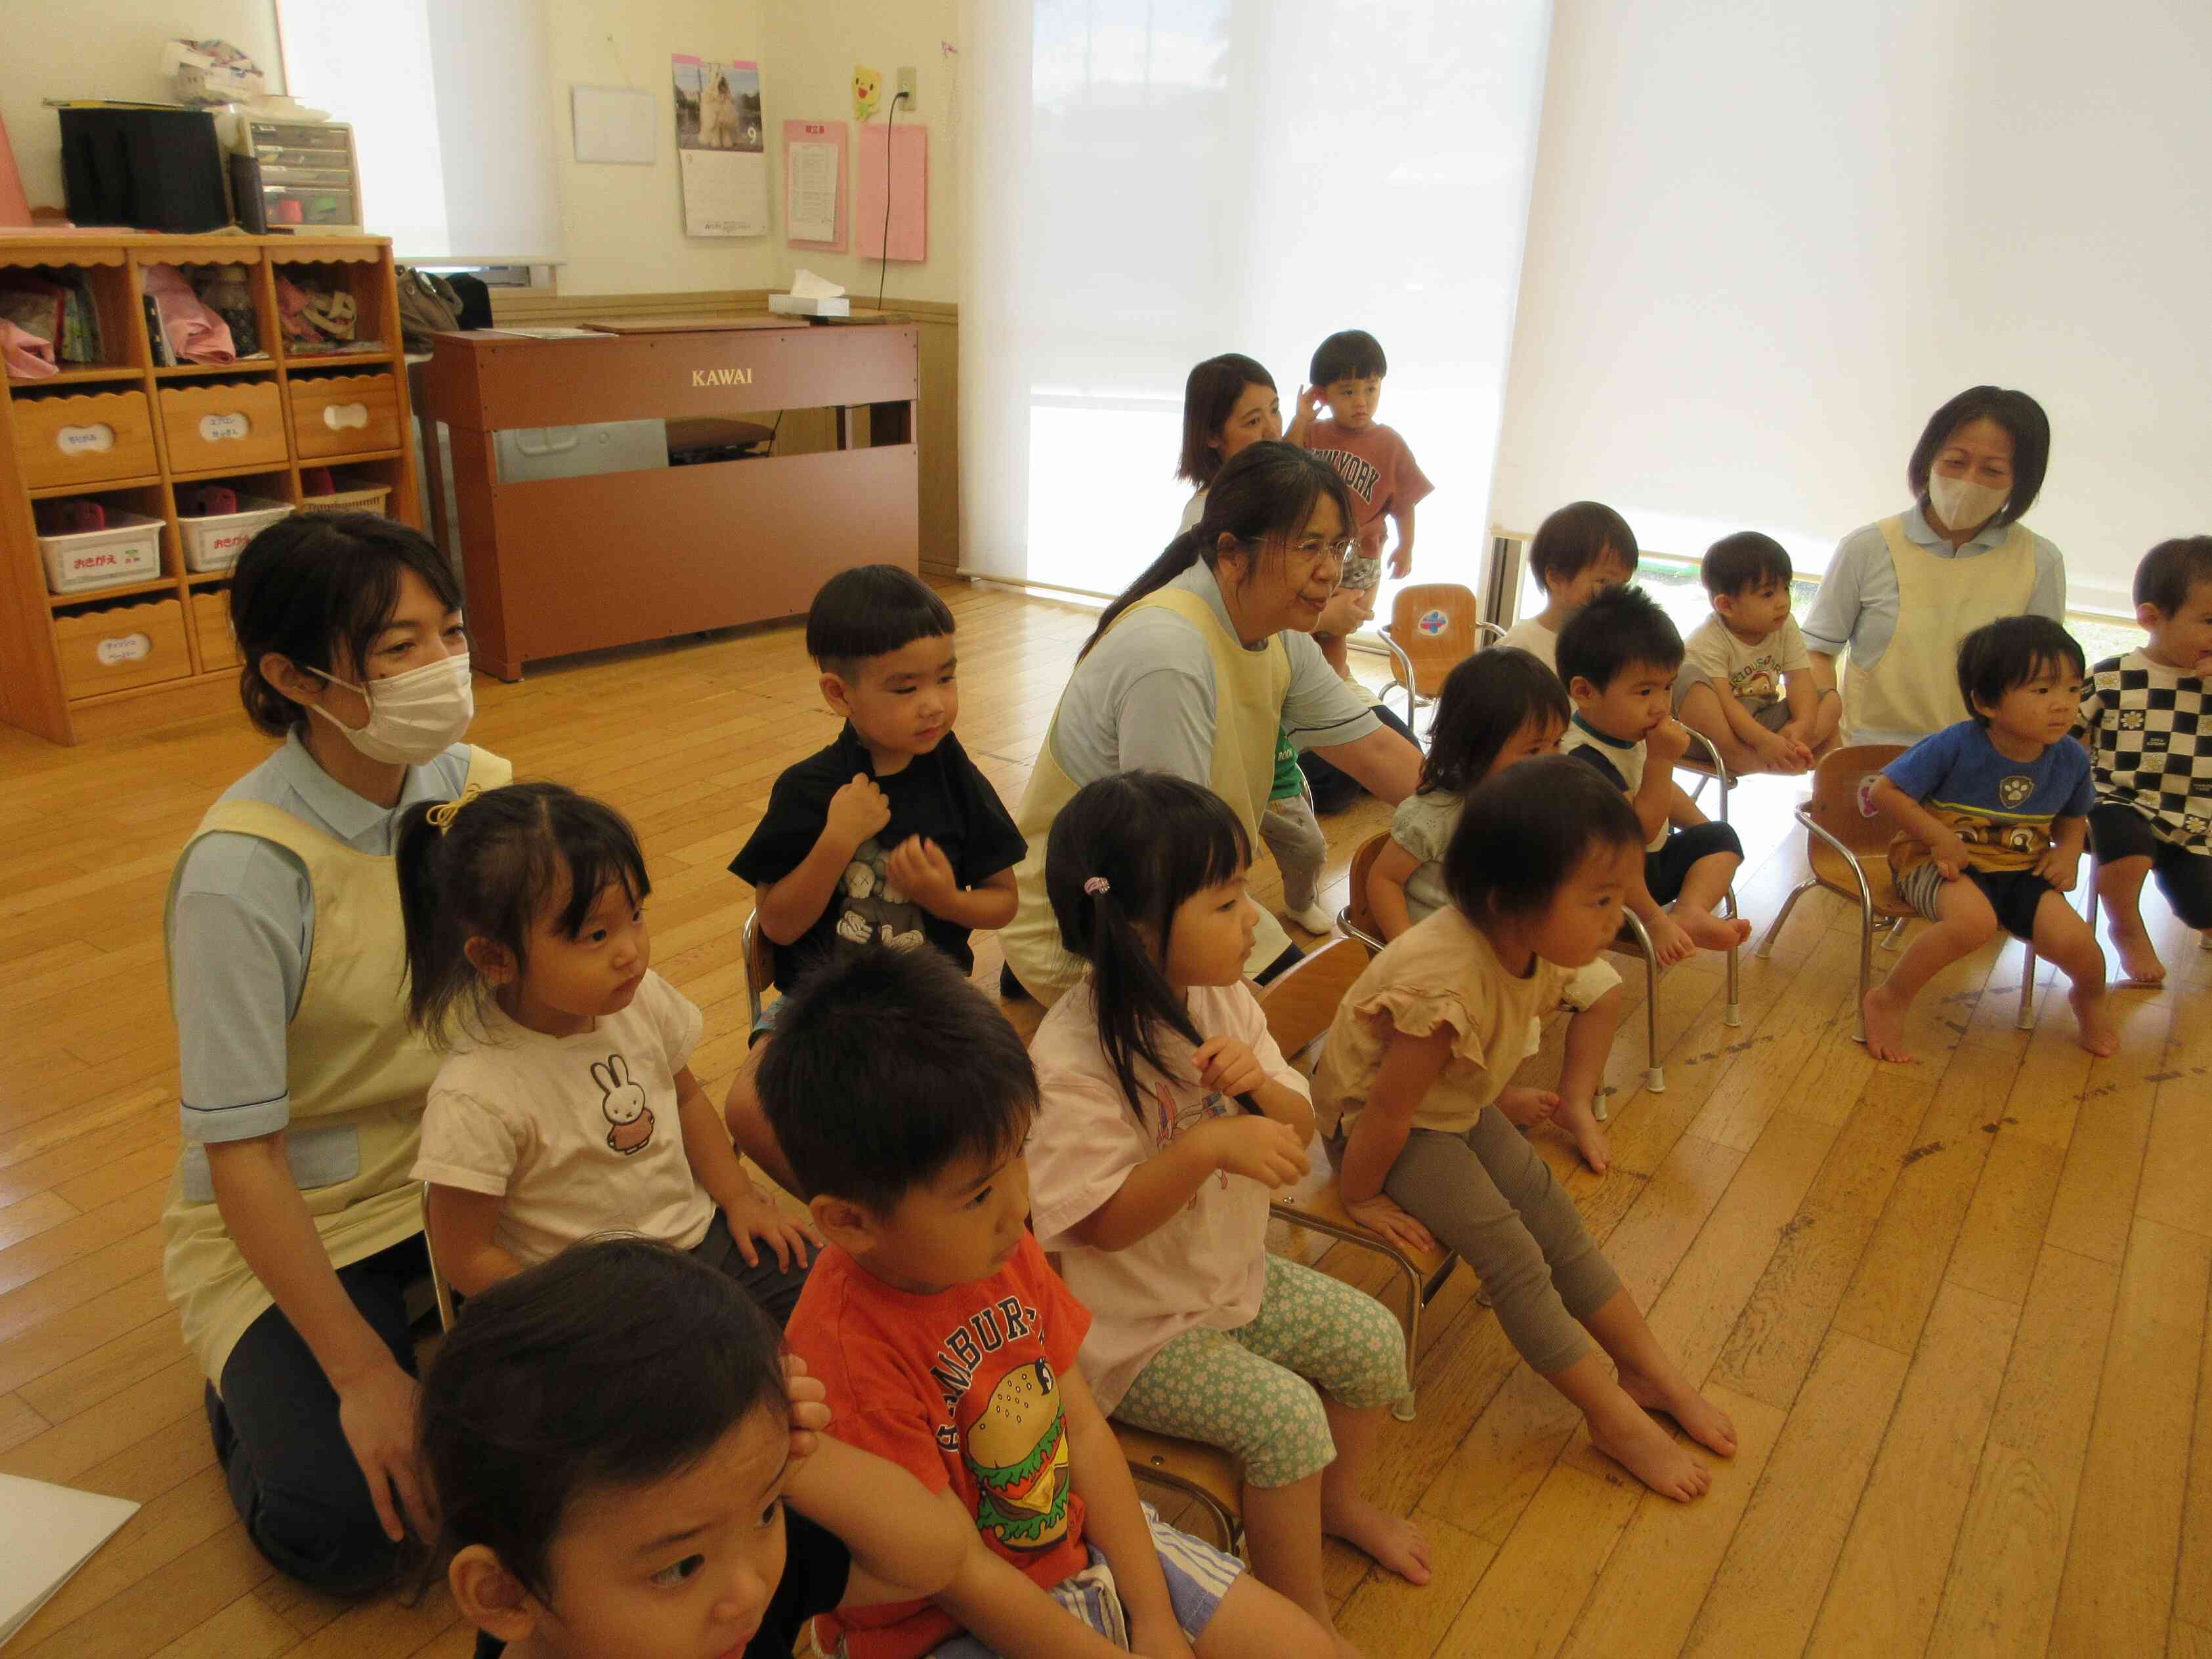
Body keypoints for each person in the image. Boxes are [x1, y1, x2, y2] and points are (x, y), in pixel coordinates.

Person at [762, 947, 1336, 1659]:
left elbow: (1084, 1429)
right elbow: (959, 1575)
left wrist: (1152, 1615)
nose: (1019, 1204)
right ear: (850, 1221)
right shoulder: (844, 1352)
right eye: (976, 1192)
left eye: (1019, 1154)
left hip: (1070, 1542)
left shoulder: (991, 1242)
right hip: (939, 1622)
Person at [160, 512, 508, 1591]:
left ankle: (409, 1320)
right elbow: (243, 1155)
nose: (443, 667)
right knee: (357, 1529)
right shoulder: (239, 873)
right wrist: (359, 1375)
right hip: (315, 1209)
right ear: (292, 676)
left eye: (449, 633)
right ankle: (256, 1377)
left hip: (477, 1159)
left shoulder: (477, 784)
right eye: (399, 647)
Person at [1027, 774, 1426, 1657]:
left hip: (1227, 1276)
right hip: (1134, 1329)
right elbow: (1096, 1224)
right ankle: (1299, 1613)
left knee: (1370, 1339)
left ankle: (1338, 1505)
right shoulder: (1070, 1058)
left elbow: (1294, 1119)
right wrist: (1205, 1148)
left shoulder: (1220, 998)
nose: (1256, 920)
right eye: (1227, 900)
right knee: (1285, 1420)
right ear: (1136, 929)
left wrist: (1257, 1094)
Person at [1312, 758, 1738, 1500]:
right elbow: (1386, 1107)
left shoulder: (1532, 942)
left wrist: (1492, 1094)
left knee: (1552, 1215)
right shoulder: (1444, 979)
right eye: (1601, 899)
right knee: (1510, 1252)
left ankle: (1649, 1371)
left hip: (1446, 1105)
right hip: (1380, 1129)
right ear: (1509, 900)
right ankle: (1612, 1417)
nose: (1617, 918)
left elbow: (1490, 1041)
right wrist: (1360, 1195)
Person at [425, 1237, 1139, 1659]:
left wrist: (800, 1454)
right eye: (676, 1567)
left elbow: (935, 1553)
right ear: (503, 1593)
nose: (750, 1592)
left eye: (767, 1511)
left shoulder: (730, 1560)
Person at [999, 440, 1423, 1005]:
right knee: (1287, 1041)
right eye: (1309, 547)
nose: (1332, 572)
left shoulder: (1280, 628)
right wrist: (1239, 1014)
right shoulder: (1169, 652)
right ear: (1231, 554)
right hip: (1103, 920)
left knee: (1305, 1019)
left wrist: (1483, 827)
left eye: (1339, 546)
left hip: (1201, 895)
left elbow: (1376, 752)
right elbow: (1169, 856)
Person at [398, 781, 814, 1322]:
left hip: (699, 1242)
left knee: (831, 1302)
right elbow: (465, 1254)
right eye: (596, 935)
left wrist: (738, 1198)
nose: (631, 952)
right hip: (592, 1299)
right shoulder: (476, 1094)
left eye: (635, 915)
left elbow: (686, 1099)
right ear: (496, 959)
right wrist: (573, 1314)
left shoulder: (638, 1000)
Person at [725, 564, 1026, 1192]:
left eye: (946, 677)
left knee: (1012, 1097)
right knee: (748, 1111)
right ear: (840, 695)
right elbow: (776, 923)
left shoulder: (953, 774)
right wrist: (838, 839)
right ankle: (857, 1221)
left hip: (930, 1003)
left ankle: (939, 1217)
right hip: (819, 1007)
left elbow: (1003, 903)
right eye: (905, 687)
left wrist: (946, 898)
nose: (935, 702)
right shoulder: (809, 790)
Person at [1365, 649, 1622, 1171]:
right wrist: (1405, 949)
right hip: (1454, 960)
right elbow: (1383, 879)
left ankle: (1575, 1100)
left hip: (1516, 943)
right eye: (1533, 749)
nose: (1550, 760)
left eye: (1556, 744)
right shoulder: (1435, 814)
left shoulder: (1537, 806)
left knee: (1607, 990)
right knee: (1516, 1025)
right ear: (1475, 746)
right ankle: (1487, 1102)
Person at [1861, 616, 2113, 1064]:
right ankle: (1889, 998)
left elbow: (2074, 816)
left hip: (2019, 869)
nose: (2063, 705)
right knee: (1973, 924)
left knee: (2084, 950)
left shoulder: (2070, 757)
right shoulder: (1956, 743)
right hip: (1933, 863)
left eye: (2073, 690)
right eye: (2042, 691)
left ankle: (2089, 999)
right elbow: (1884, 791)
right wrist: (1938, 837)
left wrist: (2070, 853)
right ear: (1987, 702)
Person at [1176, 355, 1350, 934]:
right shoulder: (1203, 531)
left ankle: (1289, 898)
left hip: (1272, 733)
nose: (1272, 428)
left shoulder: (1281, 636)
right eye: (1253, 420)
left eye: (1275, 411)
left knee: (1301, 826)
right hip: (1239, 730)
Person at [1803, 386, 2066, 747]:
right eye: (1956, 462)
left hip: (1977, 763)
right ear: (1928, 459)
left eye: (1992, 470)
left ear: (2021, 482)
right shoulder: (1867, 547)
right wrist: (1825, 735)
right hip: (1868, 755)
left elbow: (2040, 682)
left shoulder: (2040, 561)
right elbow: (1817, 651)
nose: (1969, 481)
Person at [1557, 587, 1752, 966]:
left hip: (1649, 865)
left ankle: (1690, 912)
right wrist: (1662, 760)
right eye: (1644, 691)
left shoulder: (1627, 730)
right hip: (1608, 886)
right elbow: (1637, 834)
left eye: (1667, 687)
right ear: (1585, 692)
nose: (1661, 704)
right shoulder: (1581, 758)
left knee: (1721, 837)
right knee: (1625, 858)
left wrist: (1702, 837)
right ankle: (1660, 919)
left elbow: (1666, 795)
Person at [2075, 536, 2212, 984]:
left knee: (2202, 904)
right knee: (2128, 848)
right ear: (2151, 617)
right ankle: (2126, 928)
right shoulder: (2113, 675)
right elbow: (2063, 734)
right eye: (2210, 621)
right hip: (2119, 801)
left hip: (2195, 819)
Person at [1296, 329, 1433, 680]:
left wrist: (1407, 546)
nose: (1362, 401)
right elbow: (1281, 460)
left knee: (1336, 631)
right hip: (1310, 545)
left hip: (1360, 551)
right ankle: (1305, 683)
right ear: (1323, 395)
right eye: (1348, 391)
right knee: (1302, 623)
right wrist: (1301, 418)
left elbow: (1404, 502)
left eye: (1371, 388)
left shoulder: (1389, 443)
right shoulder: (1314, 433)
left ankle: (1337, 683)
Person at [1674, 532, 1837, 776]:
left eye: (1786, 588)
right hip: (1711, 734)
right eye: (1768, 594)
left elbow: (1800, 680)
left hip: (1761, 717)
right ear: (1726, 605)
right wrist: (1763, 741)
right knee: (1687, 676)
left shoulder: (1784, 624)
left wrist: (1801, 725)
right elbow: (1727, 704)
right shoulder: (1708, 639)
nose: (1783, 601)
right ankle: (1740, 757)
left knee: (1831, 701)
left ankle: (1787, 752)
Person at [1496, 501, 1639, 673]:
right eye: (1604, 581)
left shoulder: (1610, 645)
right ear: (1556, 578)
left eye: (1623, 584)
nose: (1617, 595)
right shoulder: (1521, 645)